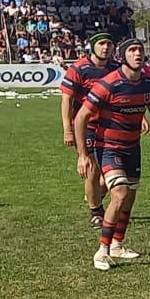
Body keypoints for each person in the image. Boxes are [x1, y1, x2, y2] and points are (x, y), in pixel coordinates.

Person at [73, 38, 150, 271]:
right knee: (120, 194)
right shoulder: (108, 84)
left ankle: (117, 244)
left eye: (141, 50)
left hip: (132, 147)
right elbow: (81, 117)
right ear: (123, 56)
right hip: (108, 147)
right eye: (132, 50)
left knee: (130, 197)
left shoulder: (148, 84)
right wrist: (83, 154)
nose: (138, 54)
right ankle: (101, 251)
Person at [60, 32, 118, 228]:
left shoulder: (116, 68)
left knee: (111, 172)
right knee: (92, 169)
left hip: (110, 126)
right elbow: (66, 99)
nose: (106, 47)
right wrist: (67, 128)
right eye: (102, 43)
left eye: (109, 44)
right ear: (92, 46)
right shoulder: (79, 68)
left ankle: (94, 196)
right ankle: (96, 212)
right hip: (86, 126)